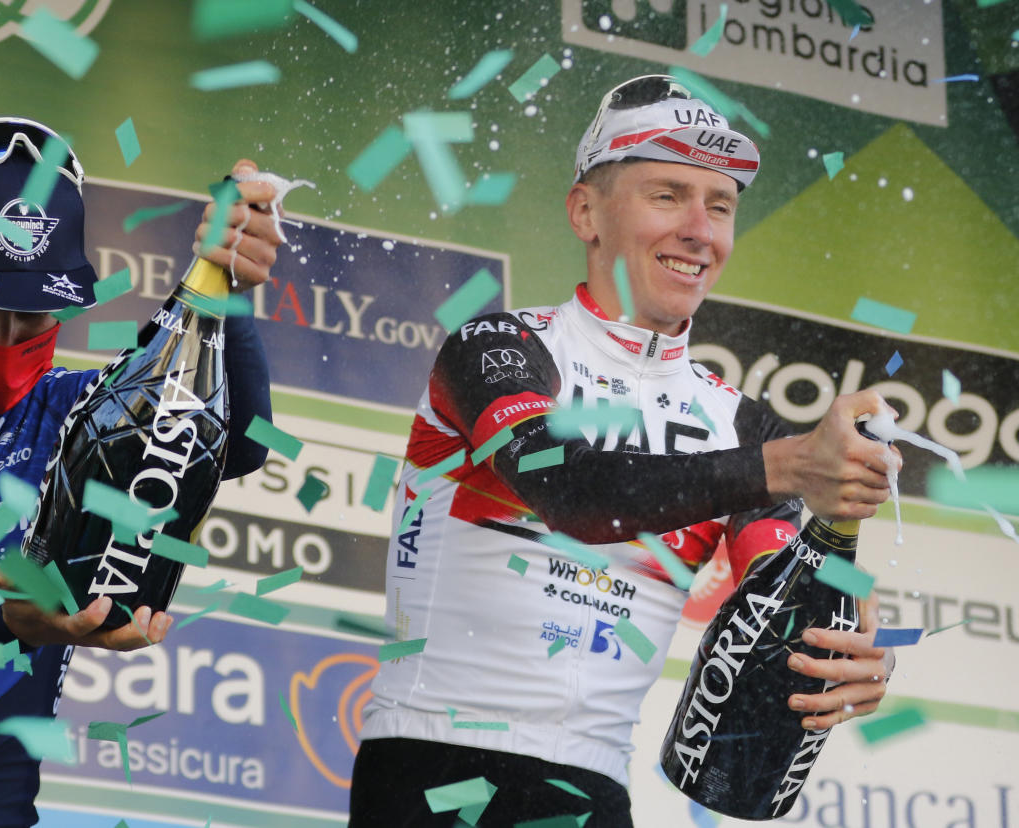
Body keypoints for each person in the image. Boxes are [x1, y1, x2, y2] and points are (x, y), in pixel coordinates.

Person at [348, 75, 902, 826]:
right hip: (430, 765)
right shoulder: (497, 347)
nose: (700, 231)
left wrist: (853, 654)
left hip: (596, 787)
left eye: (721, 207)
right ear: (586, 212)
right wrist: (791, 466)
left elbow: (785, 598)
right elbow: (570, 490)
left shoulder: (748, 427)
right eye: (667, 195)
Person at [0, 116, 283, 827]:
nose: (6, 339)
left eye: (34, 315)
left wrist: (223, 286)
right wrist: (7, 622)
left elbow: (239, 443)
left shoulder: (74, 413)